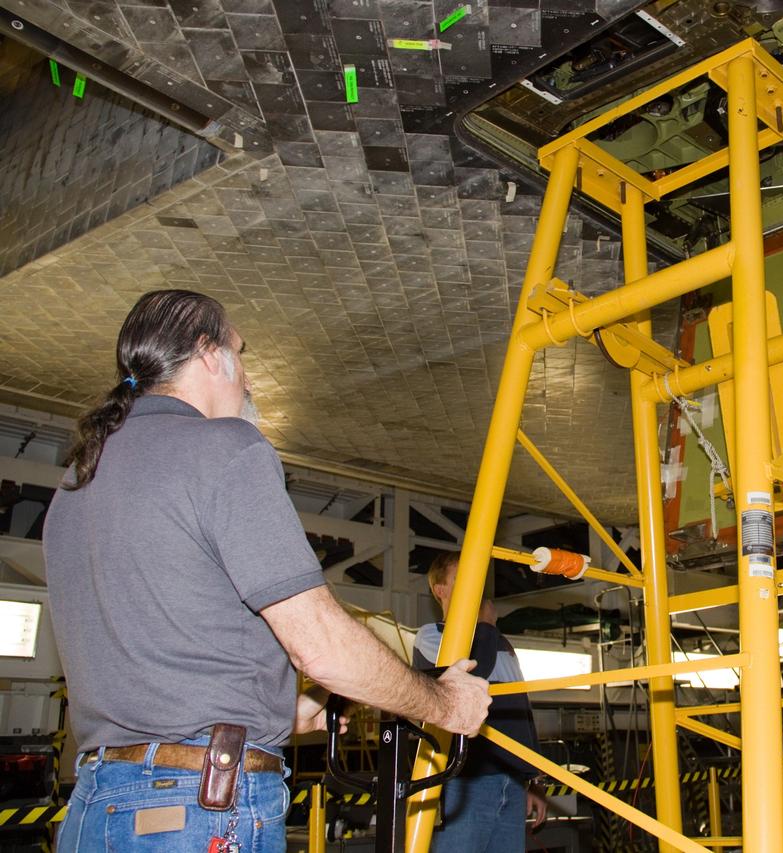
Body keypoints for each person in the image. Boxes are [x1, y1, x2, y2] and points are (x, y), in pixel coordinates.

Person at [43, 290, 492, 853]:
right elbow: (320, 647)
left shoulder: (77, 479)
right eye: (241, 352)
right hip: (199, 808)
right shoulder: (226, 447)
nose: (250, 379)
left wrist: (269, 706)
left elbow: (157, 641)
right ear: (209, 354)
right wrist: (445, 704)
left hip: (96, 804)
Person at [414, 551, 549, 851]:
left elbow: (522, 711)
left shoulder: (501, 643)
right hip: (464, 782)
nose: (474, 586)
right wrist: (486, 625)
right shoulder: (430, 636)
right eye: (463, 579)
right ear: (441, 590)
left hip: (512, 782)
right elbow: (471, 672)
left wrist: (534, 778)